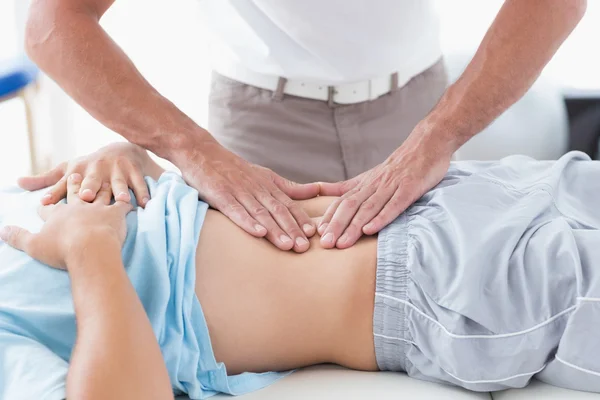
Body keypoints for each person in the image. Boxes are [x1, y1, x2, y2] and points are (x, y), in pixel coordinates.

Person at [1, 142, 600, 400]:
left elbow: (152, 193)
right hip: (446, 286)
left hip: (471, 188)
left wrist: (120, 154)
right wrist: (89, 250)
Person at [20, 0, 587, 253]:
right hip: (260, 119)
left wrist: (437, 136)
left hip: (415, 103)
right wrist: (180, 149)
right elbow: (53, 24)